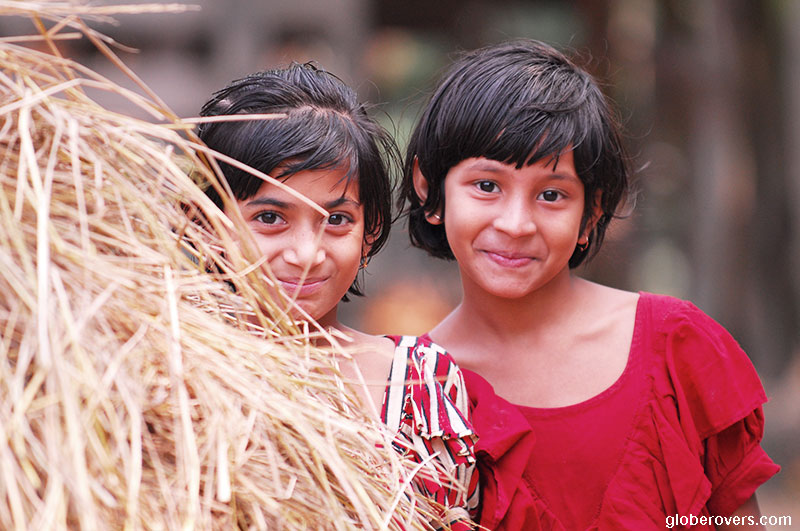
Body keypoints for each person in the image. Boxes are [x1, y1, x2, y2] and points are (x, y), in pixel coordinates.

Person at [399, 39, 780, 530]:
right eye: (487, 186)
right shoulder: (415, 391)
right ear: (430, 188)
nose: (516, 224)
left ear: (592, 211)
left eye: (551, 194)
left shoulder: (676, 347)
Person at [196, 62, 479, 529]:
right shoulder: (165, 373)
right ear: (205, 223)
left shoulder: (417, 385)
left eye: (337, 220)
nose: (307, 254)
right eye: (270, 217)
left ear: (370, 232)